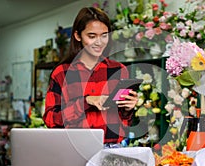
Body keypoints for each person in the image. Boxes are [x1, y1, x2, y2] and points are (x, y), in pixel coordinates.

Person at [43, 7, 138, 144]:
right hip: (73, 149)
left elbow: (124, 123)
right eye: (92, 36)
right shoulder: (62, 73)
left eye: (104, 35)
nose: (99, 43)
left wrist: (128, 109)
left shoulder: (119, 70)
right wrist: (86, 101)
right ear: (78, 36)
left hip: (111, 150)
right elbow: (51, 120)